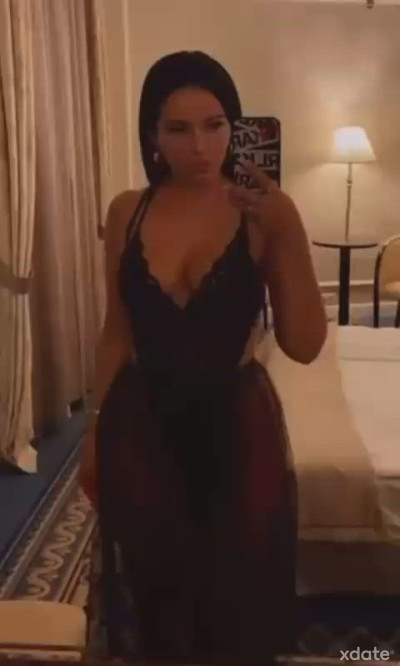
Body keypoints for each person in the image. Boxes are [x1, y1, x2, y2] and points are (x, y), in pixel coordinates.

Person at [80, 50, 327, 664]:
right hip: (142, 422)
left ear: (235, 127)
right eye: (179, 128)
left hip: (236, 426)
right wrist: (94, 434)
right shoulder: (126, 211)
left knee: (234, 596)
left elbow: (304, 345)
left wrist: (288, 226)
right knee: (155, 590)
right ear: (152, 135)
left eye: (215, 126)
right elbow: (117, 332)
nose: (199, 146)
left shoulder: (261, 213)